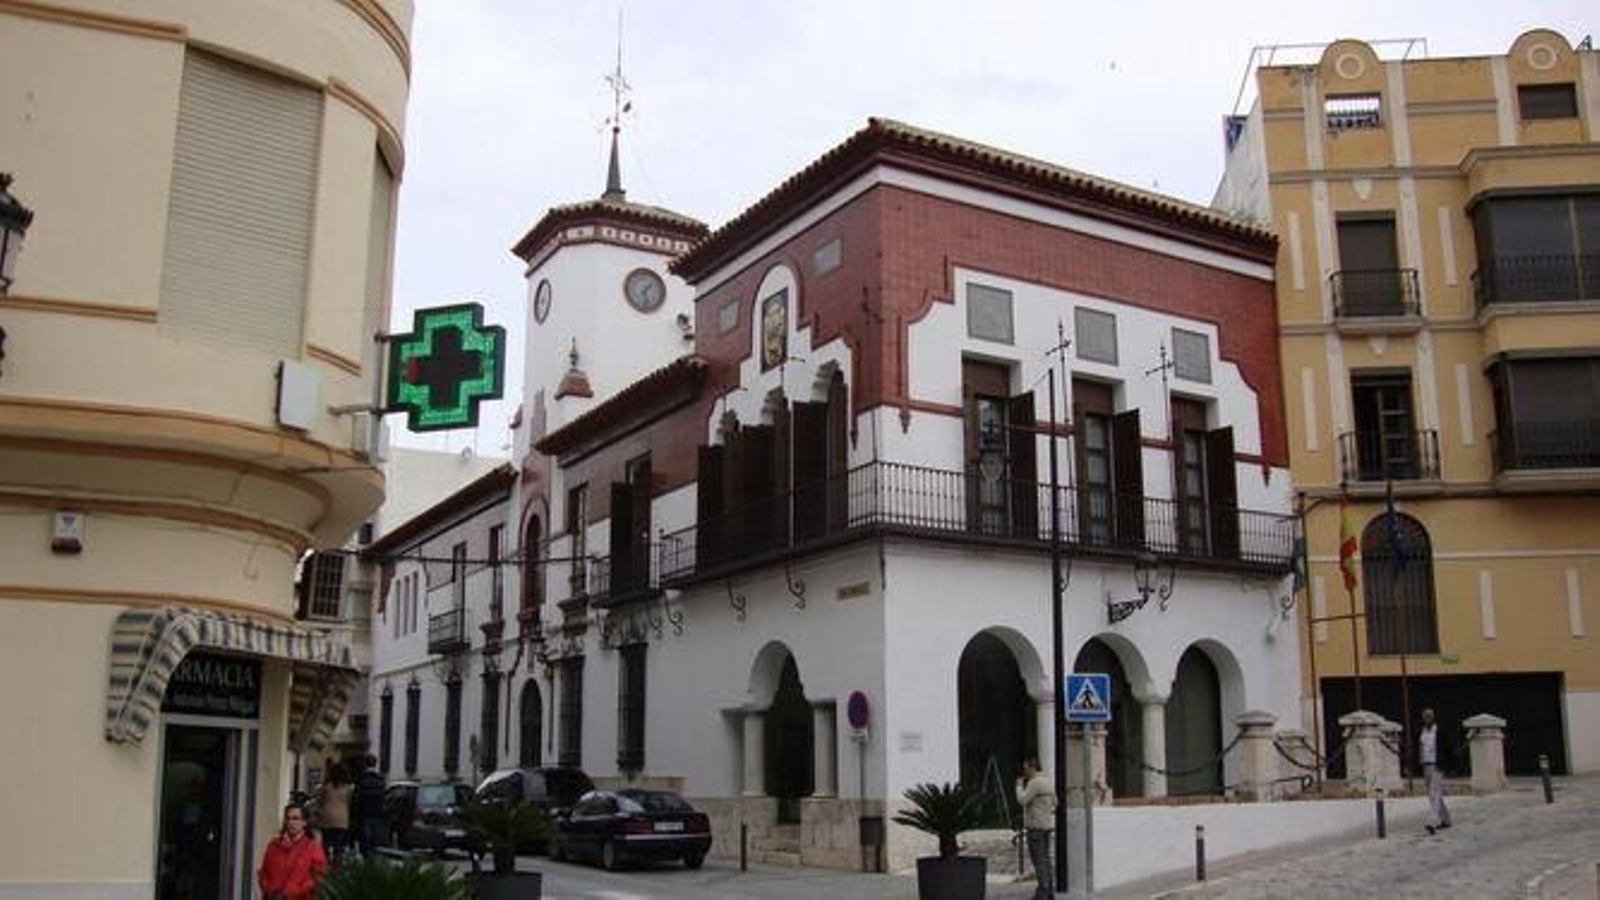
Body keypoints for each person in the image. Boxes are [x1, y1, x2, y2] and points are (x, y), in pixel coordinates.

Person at [257, 802, 327, 900]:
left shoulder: (313, 848)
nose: (291, 822)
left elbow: (318, 879)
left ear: (304, 822)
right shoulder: (273, 846)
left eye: (295, 818)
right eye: (288, 818)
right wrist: (269, 890)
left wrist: (292, 893)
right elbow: (264, 874)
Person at [1015, 757, 1057, 900]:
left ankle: (1043, 892)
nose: (1024, 772)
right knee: (1045, 859)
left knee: (1039, 860)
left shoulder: (1034, 783)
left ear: (1033, 768)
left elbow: (1022, 800)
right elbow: (1055, 802)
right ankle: (1049, 891)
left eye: (1026, 768)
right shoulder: (1048, 781)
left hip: (1035, 827)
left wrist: (1019, 786)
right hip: (1046, 826)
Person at [1419, 708, 1452, 835]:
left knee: (1434, 793)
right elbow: (1420, 749)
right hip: (1425, 766)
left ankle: (1432, 822)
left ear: (1433, 718)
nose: (1427, 719)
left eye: (1429, 716)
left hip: (1437, 766)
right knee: (1434, 794)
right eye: (1425, 717)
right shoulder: (1422, 733)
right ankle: (1446, 819)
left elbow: (1447, 749)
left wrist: (1446, 765)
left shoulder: (1440, 732)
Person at [315, 762, 353, 866]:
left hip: (326, 818)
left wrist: (318, 812)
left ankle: (324, 865)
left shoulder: (326, 786)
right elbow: (350, 803)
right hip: (341, 820)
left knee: (325, 845)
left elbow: (320, 801)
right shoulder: (349, 788)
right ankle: (336, 869)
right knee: (338, 847)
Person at [353, 754, 388, 858]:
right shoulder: (381, 779)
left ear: (365, 763)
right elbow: (384, 797)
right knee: (375, 841)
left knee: (365, 841)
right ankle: (373, 862)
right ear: (375, 763)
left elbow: (356, 798)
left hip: (364, 814)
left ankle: (367, 862)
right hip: (378, 813)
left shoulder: (361, 778)